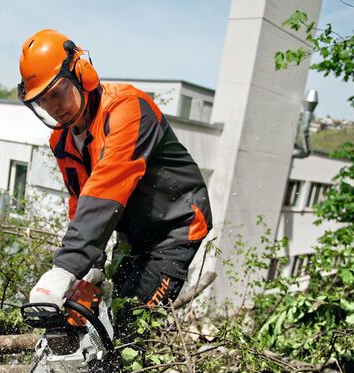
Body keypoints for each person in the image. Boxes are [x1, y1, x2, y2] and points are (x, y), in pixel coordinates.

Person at [19, 29, 213, 335]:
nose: (53, 106)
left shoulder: (127, 109)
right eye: (43, 100)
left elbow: (107, 188)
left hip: (175, 227)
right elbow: (81, 200)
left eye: (57, 92)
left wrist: (65, 268)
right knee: (111, 312)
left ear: (82, 74)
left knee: (132, 328)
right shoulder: (62, 141)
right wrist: (89, 264)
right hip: (131, 230)